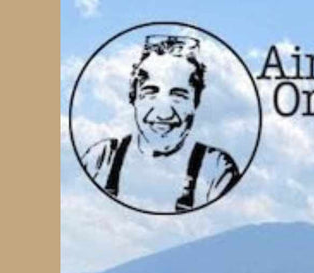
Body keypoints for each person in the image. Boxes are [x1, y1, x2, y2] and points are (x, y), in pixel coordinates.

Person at [79, 34, 240, 213]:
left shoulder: (216, 168)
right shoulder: (100, 160)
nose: (164, 114)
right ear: (134, 97)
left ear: (196, 102)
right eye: (150, 92)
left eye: (179, 95)